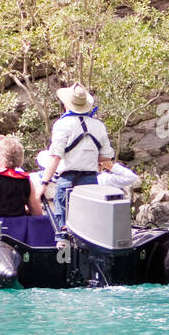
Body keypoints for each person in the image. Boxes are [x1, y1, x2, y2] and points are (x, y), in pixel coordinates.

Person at [39, 83, 114, 232]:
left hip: (67, 181)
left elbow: (55, 157)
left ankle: (64, 252)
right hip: (91, 182)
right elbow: (106, 158)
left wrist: (43, 183)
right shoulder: (98, 125)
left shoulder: (62, 124)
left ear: (66, 105)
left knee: (64, 229)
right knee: (88, 228)